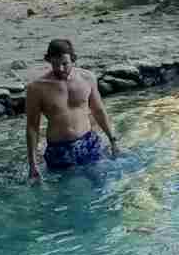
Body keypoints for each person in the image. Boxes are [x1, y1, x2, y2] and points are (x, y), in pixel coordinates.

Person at [24, 38, 119, 180]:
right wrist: (32, 164)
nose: (60, 68)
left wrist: (113, 141)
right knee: (65, 195)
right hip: (59, 150)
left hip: (89, 142)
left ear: (73, 59)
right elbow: (32, 127)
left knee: (101, 184)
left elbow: (98, 110)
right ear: (49, 60)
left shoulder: (87, 78)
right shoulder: (36, 88)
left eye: (64, 63)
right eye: (55, 64)